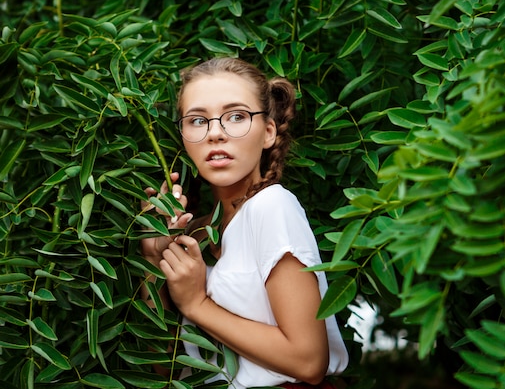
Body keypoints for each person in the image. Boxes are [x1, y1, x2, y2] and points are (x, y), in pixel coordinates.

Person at [140, 57, 349, 388]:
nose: (215, 133)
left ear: (268, 132)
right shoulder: (195, 233)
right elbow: (164, 369)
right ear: (182, 135)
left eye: (236, 116)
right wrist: (153, 259)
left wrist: (196, 303)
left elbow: (308, 361)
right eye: (197, 120)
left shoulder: (271, 207)